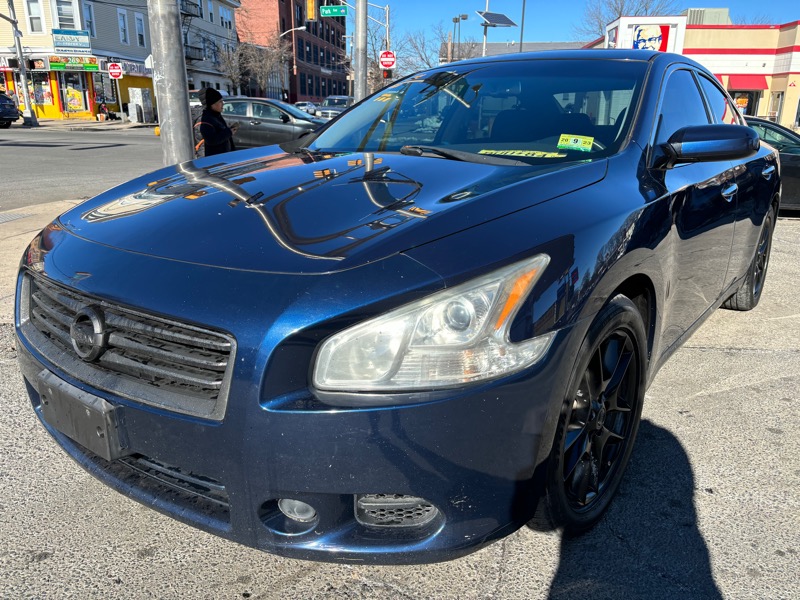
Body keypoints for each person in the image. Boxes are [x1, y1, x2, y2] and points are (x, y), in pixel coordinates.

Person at [197, 88, 238, 156]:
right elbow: (211, 140)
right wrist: (229, 132)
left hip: (222, 158)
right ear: (212, 104)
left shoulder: (216, 116)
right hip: (213, 161)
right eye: (220, 101)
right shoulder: (205, 119)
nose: (223, 103)